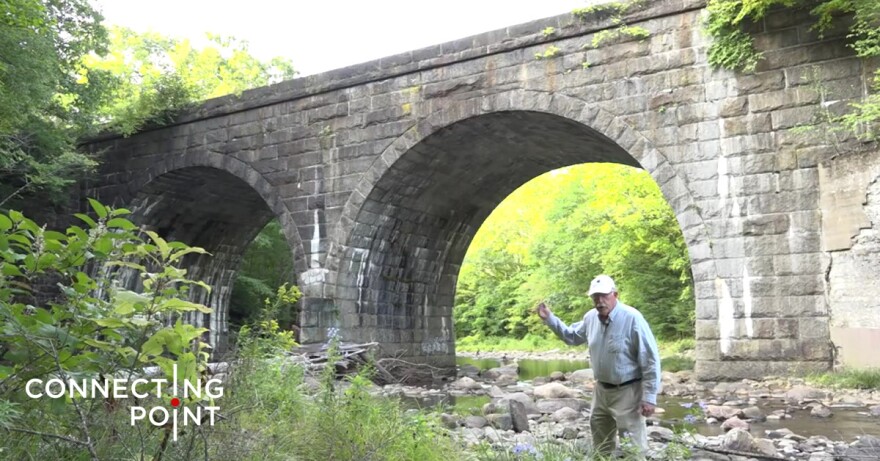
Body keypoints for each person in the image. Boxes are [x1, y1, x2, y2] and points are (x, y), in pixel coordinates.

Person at [536, 274, 661, 459]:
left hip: (628, 392)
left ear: (615, 294)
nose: (600, 301)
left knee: (633, 451)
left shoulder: (633, 318)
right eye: (595, 297)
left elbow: (650, 358)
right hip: (601, 392)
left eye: (604, 296)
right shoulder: (590, 318)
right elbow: (571, 336)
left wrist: (649, 397)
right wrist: (550, 319)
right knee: (601, 447)